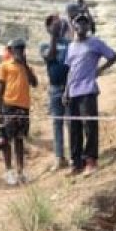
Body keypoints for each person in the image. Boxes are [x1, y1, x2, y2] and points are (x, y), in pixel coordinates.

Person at [63, 14, 116, 175]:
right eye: (78, 22)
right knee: (74, 128)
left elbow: (113, 56)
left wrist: (99, 70)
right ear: (73, 25)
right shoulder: (71, 46)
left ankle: (91, 161)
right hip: (72, 91)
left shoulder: (95, 43)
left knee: (90, 126)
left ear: (88, 26)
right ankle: (76, 162)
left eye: (84, 22)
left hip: (88, 89)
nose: (81, 25)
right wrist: (66, 91)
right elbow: (70, 70)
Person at [0, 38, 38, 186]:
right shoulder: (5, 66)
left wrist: (25, 65)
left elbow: (35, 83)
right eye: (16, 49)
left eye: (21, 49)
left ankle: (20, 170)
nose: (19, 51)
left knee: (19, 138)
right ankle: (8, 170)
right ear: (12, 51)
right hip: (9, 105)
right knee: (6, 139)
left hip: (23, 107)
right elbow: (0, 90)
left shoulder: (26, 67)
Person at [40, 15, 70, 171]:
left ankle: (73, 155)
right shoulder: (44, 45)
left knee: (70, 122)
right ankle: (59, 157)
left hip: (68, 87)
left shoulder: (68, 44)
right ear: (48, 28)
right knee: (57, 123)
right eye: (53, 25)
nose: (57, 27)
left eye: (58, 25)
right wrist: (53, 36)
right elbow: (50, 56)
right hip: (54, 88)